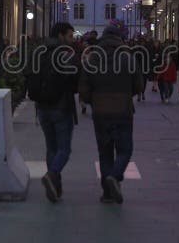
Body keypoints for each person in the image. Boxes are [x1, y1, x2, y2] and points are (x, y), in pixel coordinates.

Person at [79, 25, 143, 204]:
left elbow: (84, 86)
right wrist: (127, 94)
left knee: (105, 152)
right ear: (119, 38)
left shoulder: (93, 58)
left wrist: (91, 101)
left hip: (100, 112)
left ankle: (107, 193)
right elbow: (139, 85)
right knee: (125, 149)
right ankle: (115, 176)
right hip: (123, 110)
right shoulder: (128, 57)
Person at [33, 23, 78, 203]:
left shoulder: (39, 51)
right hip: (61, 106)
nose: (72, 40)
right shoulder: (65, 54)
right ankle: (51, 175)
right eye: (69, 36)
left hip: (42, 107)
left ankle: (55, 188)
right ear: (60, 36)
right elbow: (74, 78)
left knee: (51, 148)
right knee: (64, 149)